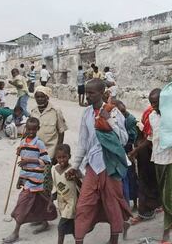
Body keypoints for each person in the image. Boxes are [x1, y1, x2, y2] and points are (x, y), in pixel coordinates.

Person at [66, 79, 131, 244]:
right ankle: (79, 240)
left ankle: (113, 239)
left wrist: (108, 119)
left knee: (113, 202)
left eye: (91, 93)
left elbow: (123, 139)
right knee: (84, 204)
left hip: (111, 165)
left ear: (102, 93)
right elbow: (83, 142)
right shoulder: (87, 113)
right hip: (93, 165)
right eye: (86, 92)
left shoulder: (113, 112)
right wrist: (75, 166)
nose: (87, 96)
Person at [129, 88, 172, 243]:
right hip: (159, 158)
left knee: (169, 194)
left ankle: (166, 233)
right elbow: (151, 138)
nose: (153, 106)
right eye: (151, 103)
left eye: (156, 102)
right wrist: (135, 151)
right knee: (163, 194)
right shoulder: (152, 116)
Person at [2, 117, 57, 244]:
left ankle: (15, 232)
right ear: (25, 128)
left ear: (38, 129)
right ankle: (44, 222)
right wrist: (20, 179)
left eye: (34, 129)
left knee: (22, 204)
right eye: (29, 129)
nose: (31, 132)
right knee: (38, 202)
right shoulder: (22, 142)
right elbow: (22, 163)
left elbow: (46, 161)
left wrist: (30, 161)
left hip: (36, 179)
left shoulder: (39, 143)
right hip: (27, 179)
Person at [31, 86, 68, 196]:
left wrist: (58, 151)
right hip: (35, 150)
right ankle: (38, 200)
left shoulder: (56, 111)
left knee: (46, 177)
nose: (40, 99)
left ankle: (46, 200)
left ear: (47, 97)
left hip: (49, 151)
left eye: (42, 97)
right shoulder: (33, 111)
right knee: (34, 176)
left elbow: (61, 131)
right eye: (37, 97)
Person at [128, 106, 161, 225]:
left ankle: (145, 212)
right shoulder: (151, 114)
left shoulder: (153, 115)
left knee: (145, 182)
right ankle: (152, 207)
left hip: (150, 155)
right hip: (151, 154)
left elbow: (149, 138)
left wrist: (135, 151)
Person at [52, 144, 81, 244]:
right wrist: (51, 200)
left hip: (72, 203)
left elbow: (82, 185)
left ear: (69, 156)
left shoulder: (73, 169)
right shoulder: (54, 169)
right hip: (61, 203)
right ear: (56, 158)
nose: (62, 160)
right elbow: (54, 186)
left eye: (64, 157)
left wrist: (75, 178)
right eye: (59, 157)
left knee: (61, 227)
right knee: (72, 227)